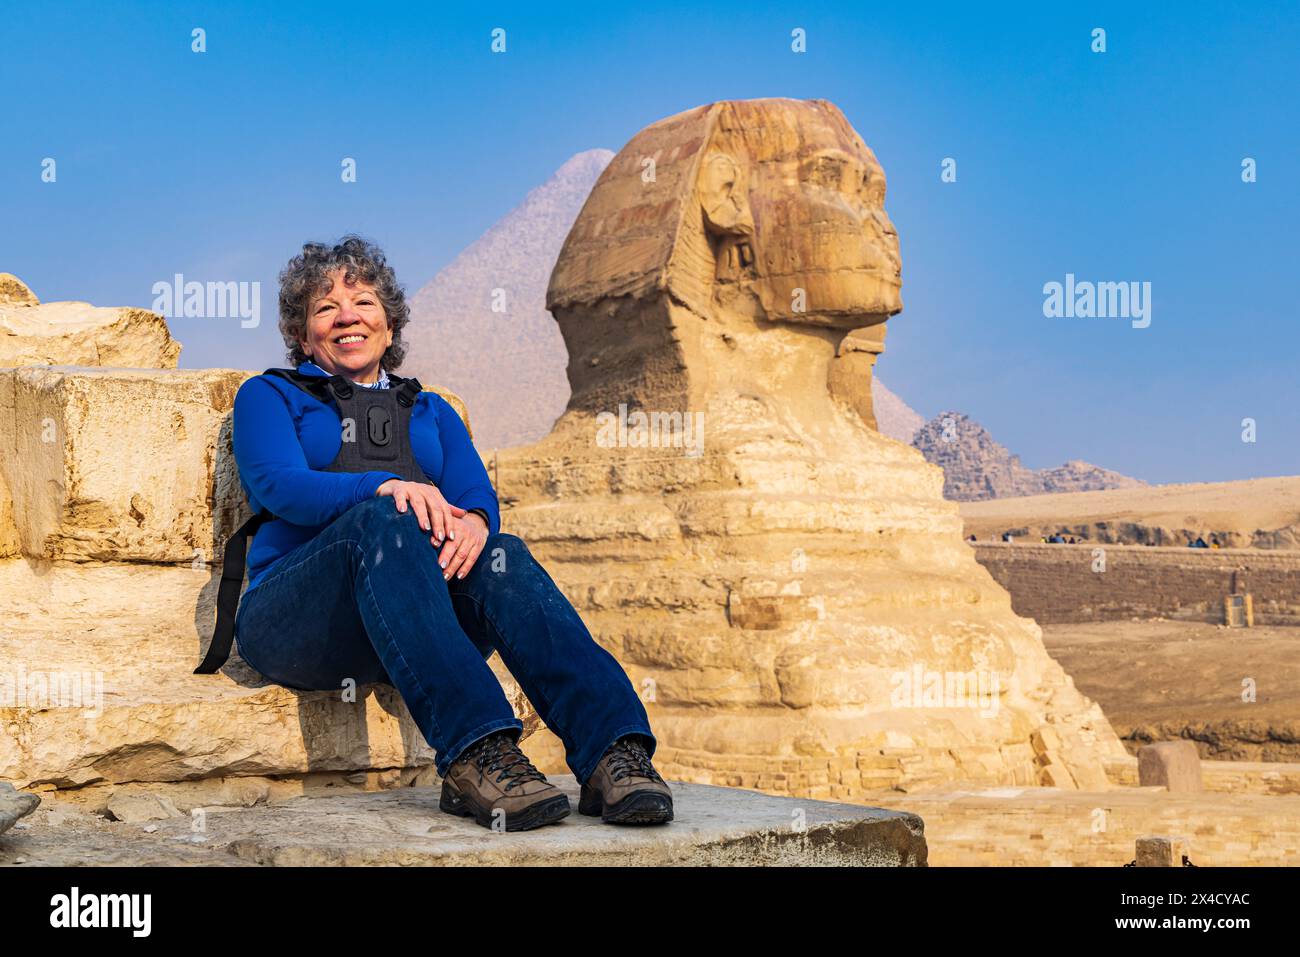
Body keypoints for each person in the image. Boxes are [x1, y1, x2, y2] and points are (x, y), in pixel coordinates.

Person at [220, 236, 672, 831]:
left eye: (363, 303)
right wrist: (380, 488)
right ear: (304, 337)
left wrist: (478, 526)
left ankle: (614, 751)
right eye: (325, 308)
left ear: (389, 328)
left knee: (502, 554)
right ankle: (477, 753)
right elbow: (278, 485)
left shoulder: (430, 410)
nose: (347, 316)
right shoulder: (270, 395)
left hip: (411, 619)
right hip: (299, 621)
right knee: (384, 521)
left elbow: (475, 495)